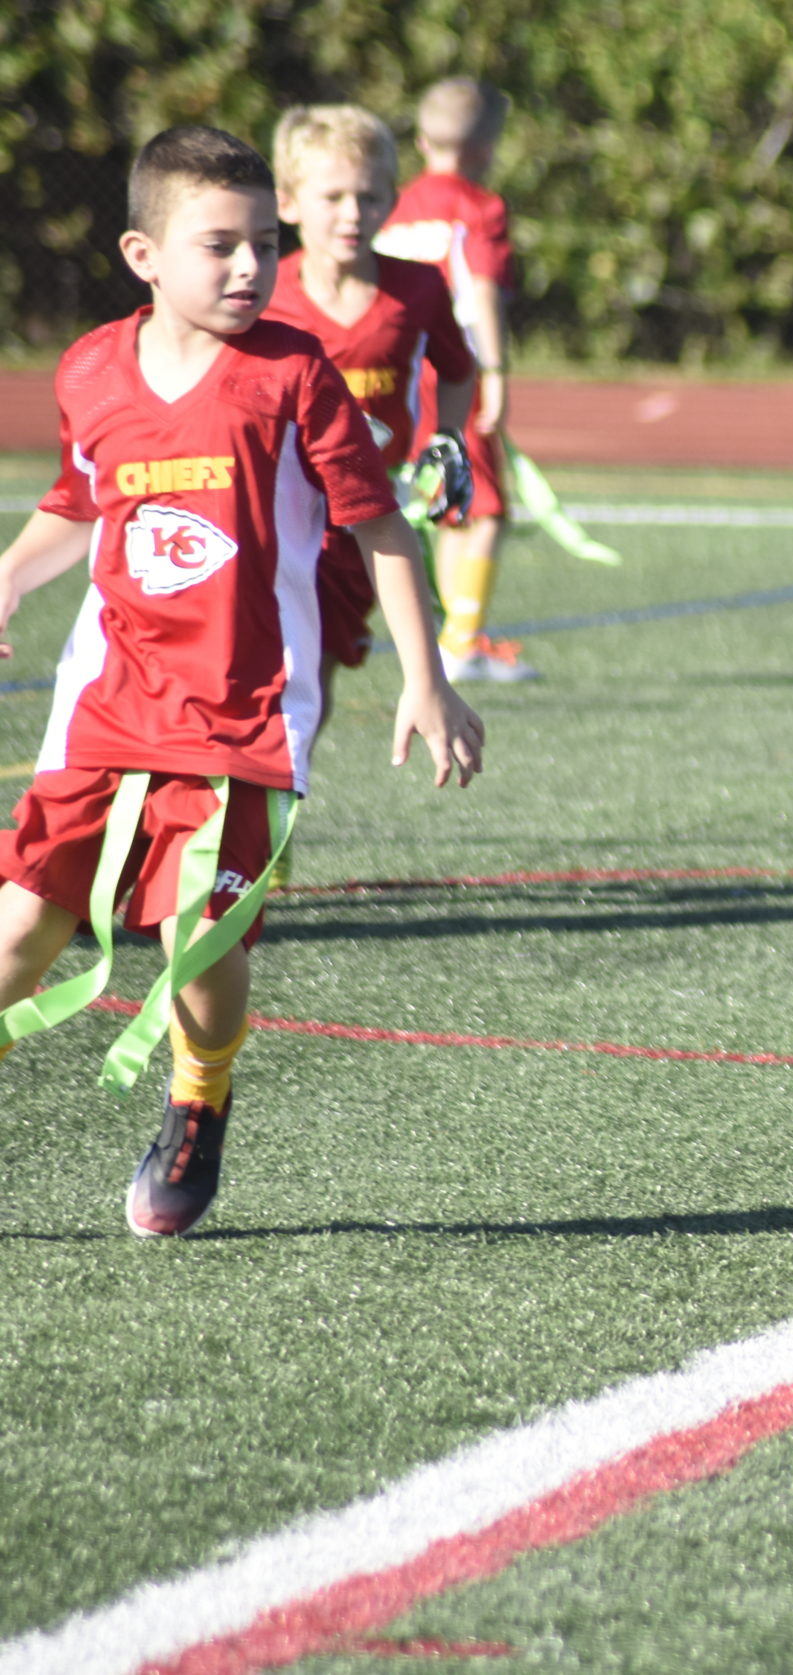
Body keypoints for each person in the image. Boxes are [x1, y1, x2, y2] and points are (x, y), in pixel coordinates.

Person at [0, 127, 485, 1238]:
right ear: (143, 254)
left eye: (264, 244)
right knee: (20, 933)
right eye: (220, 245)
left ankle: (198, 1096)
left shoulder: (291, 373)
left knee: (197, 948)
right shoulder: (88, 369)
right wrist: (10, 577)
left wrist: (428, 677)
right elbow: (80, 503)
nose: (249, 268)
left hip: (244, 717)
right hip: (106, 702)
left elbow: (378, 524)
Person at [263, 104, 479, 723]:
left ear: (392, 199)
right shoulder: (264, 292)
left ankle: (285, 792)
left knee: (319, 662)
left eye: (369, 196)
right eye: (332, 196)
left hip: (365, 514)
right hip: (278, 508)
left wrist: (448, 441)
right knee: (266, 659)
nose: (352, 214)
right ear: (288, 201)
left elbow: (460, 370)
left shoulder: (418, 288)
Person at [375, 77, 530, 682]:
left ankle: (453, 639)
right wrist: (494, 370)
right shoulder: (479, 206)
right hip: (452, 371)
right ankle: (461, 644)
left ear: (420, 140)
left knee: (448, 502)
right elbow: (481, 294)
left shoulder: (393, 203)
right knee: (487, 510)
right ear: (488, 149)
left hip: (401, 368)